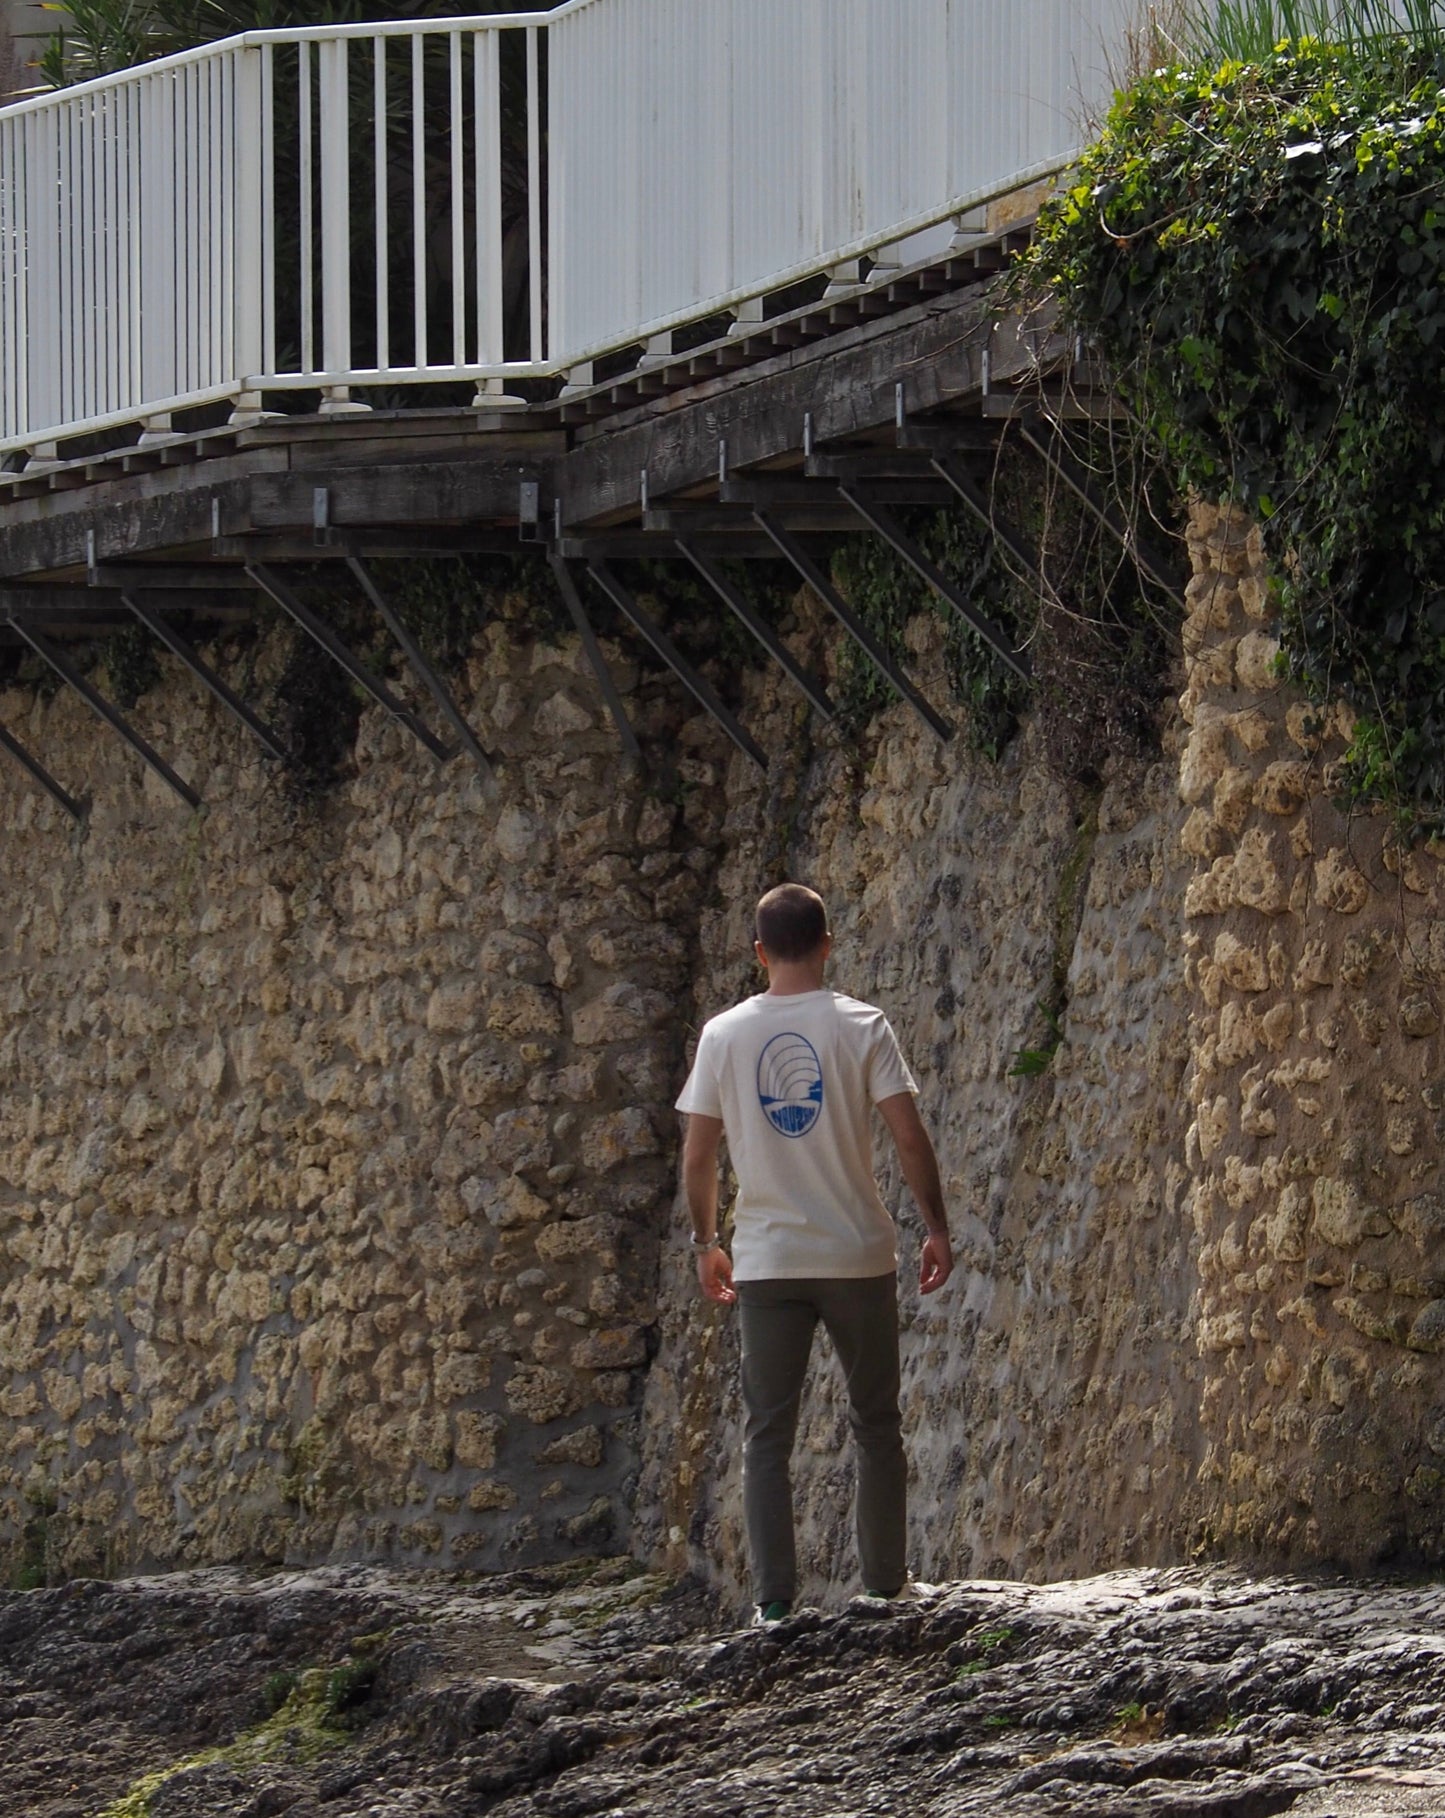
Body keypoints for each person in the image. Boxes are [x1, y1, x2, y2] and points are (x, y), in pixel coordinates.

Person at [675, 881, 953, 1623]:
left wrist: (706, 1243)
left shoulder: (723, 1035)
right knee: (875, 1424)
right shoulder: (862, 1026)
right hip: (857, 1254)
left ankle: (772, 1604)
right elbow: (906, 1134)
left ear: (759, 952)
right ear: (828, 943)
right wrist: (935, 1228)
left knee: (767, 1433)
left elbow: (699, 1156)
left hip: (767, 1260)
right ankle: (884, 1586)